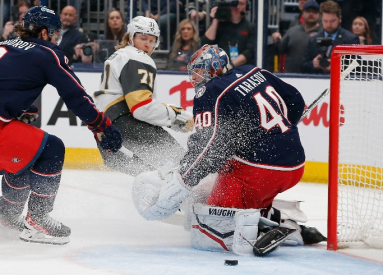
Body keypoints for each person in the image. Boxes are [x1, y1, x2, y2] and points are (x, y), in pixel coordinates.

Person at [132, 44, 326, 256]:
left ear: (213, 67)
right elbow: (295, 100)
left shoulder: (210, 90)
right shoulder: (253, 71)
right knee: (227, 162)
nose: (194, 78)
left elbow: (208, 144)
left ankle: (256, 232)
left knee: (207, 226)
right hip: (295, 165)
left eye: (198, 70)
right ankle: (279, 220)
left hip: (260, 172)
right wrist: (279, 134)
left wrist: (183, 180)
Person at [0, 6, 122, 245]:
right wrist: (102, 125)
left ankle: (9, 219)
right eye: (54, 33)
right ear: (43, 33)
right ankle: (38, 219)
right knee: (52, 149)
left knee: (23, 160)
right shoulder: (47, 53)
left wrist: (19, 107)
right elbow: (76, 96)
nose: (55, 39)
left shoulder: (1, 45)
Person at [93, 16, 194, 176]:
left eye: (152, 40)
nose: (148, 44)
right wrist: (175, 116)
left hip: (106, 132)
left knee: (155, 177)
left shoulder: (119, 56)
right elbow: (141, 108)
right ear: (131, 38)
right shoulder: (137, 57)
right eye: (143, 38)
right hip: (126, 125)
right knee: (183, 166)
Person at [301, 0, 360, 74]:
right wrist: (313, 64)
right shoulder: (313, 39)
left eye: (332, 21)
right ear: (321, 19)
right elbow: (302, 66)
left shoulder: (351, 40)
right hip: (317, 82)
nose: (328, 25)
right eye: (325, 21)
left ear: (340, 19)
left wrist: (337, 67)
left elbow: (358, 67)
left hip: (341, 83)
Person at [201, 0, 256, 67]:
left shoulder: (251, 27)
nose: (237, 7)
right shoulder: (219, 25)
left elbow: (249, 52)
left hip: (243, 69)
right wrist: (216, 19)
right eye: (234, 3)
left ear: (246, 7)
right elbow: (206, 44)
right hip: (220, 68)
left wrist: (230, 65)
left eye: (241, 4)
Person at [278, 1, 321, 73]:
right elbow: (280, 49)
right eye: (308, 11)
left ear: (319, 15)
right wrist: (276, 39)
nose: (311, 14)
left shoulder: (323, 33)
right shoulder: (292, 31)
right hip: (291, 77)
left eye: (314, 12)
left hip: (314, 78)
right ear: (302, 13)